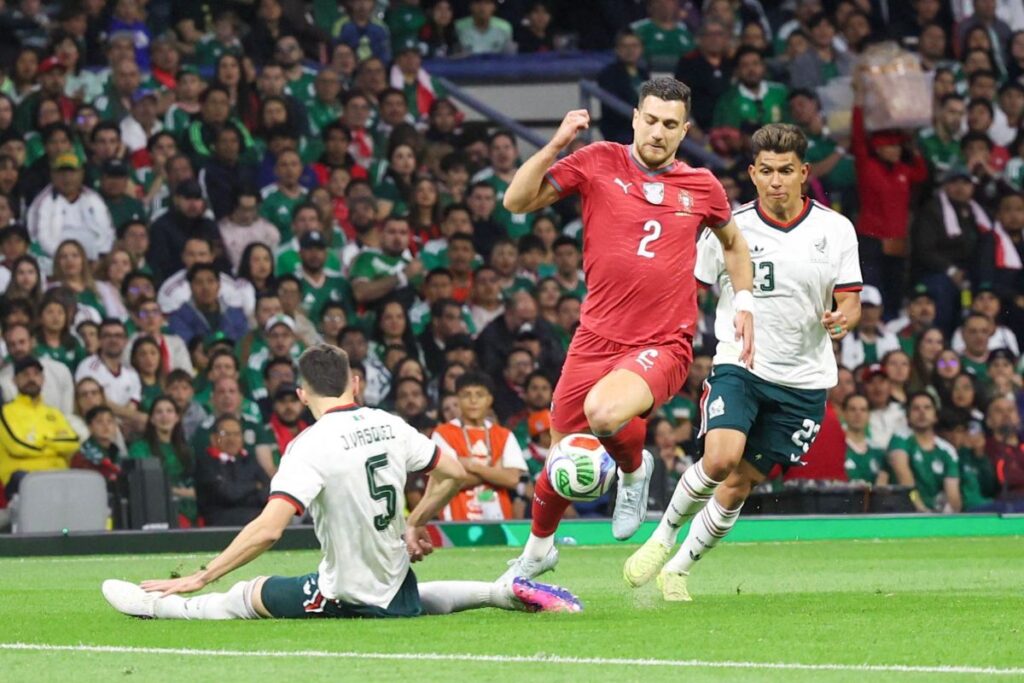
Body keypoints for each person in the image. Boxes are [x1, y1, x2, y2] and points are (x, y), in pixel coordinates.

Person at [102, 344, 581, 620]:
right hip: (397, 584)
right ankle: (497, 592)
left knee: (244, 596)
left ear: (301, 393)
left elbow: (269, 529)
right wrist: (415, 521)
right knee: (407, 598)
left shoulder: (308, 445)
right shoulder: (389, 423)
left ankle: (156, 607)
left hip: (343, 592)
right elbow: (454, 472)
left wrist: (202, 574)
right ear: (354, 384)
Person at [499, 77, 754, 581]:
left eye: (670, 124)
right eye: (651, 120)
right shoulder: (597, 161)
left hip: (663, 342)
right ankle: (537, 552)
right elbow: (516, 201)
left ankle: (635, 472)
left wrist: (743, 301)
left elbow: (733, 243)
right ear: (635, 118)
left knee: (604, 412)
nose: (658, 132)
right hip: (594, 337)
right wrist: (555, 145)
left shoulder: (702, 185)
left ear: (685, 130)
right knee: (562, 458)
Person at [624, 123, 862, 601]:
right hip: (742, 364)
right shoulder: (729, 227)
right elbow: (690, 288)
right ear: (753, 173)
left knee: (739, 484)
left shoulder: (835, 229)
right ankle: (662, 537)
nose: (776, 181)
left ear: (804, 173)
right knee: (720, 459)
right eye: (767, 171)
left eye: (786, 171)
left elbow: (851, 299)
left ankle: (679, 570)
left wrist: (843, 320)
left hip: (805, 380)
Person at [431, 372, 527, 521]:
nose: (473, 400)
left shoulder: (505, 435)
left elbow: (512, 479)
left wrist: (472, 466)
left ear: (489, 400)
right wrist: (495, 472)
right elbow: (449, 481)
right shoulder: (442, 433)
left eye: (480, 395)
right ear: (458, 399)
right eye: (466, 395)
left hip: (499, 520)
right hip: (455, 520)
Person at [0, 356, 80, 495]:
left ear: (43, 380)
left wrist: (41, 441)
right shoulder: (6, 412)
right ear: (14, 380)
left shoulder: (54, 413)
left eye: (36, 374)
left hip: (58, 476)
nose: (31, 378)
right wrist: (54, 444)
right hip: (23, 479)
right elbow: (19, 447)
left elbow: (72, 443)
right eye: (25, 374)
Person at [887, 392, 962, 513]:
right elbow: (905, 481)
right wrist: (921, 508)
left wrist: (945, 515)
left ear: (935, 416)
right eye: (916, 408)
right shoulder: (900, 439)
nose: (922, 412)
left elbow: (953, 494)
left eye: (927, 408)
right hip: (905, 512)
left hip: (937, 514)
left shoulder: (947, 451)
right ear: (908, 416)